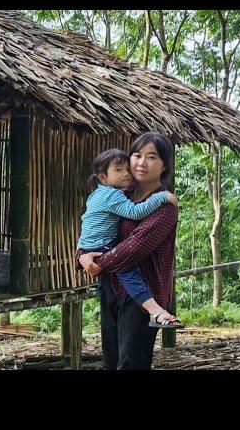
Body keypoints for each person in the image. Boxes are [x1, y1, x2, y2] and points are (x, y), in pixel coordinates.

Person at [78, 132, 181, 370]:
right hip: (110, 289)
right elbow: (92, 224)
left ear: (164, 164)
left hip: (141, 296)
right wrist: (82, 255)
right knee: (111, 361)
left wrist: (99, 261)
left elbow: (133, 248)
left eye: (152, 157)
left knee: (131, 364)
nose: (141, 163)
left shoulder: (165, 206)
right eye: (137, 155)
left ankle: (158, 313)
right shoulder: (118, 194)